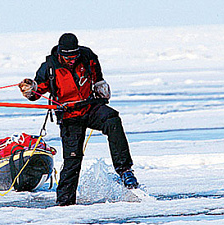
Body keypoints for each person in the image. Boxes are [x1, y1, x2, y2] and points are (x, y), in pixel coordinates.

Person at [19, 33, 138, 206]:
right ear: (60, 53)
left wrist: (101, 87)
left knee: (112, 119)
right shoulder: (50, 66)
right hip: (69, 116)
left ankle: (125, 170)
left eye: (74, 56)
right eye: (67, 57)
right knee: (73, 161)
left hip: (90, 107)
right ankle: (65, 203)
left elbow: (97, 77)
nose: (71, 60)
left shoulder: (88, 57)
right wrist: (30, 89)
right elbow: (38, 90)